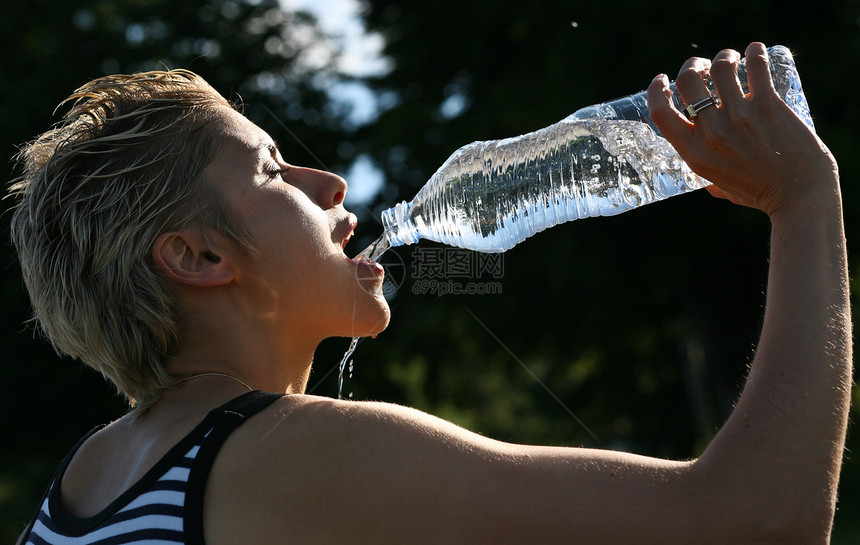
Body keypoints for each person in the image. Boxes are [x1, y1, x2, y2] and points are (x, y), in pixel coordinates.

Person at [11, 42, 850, 545]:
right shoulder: (289, 455)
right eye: (272, 170)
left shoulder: (84, 482)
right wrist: (804, 201)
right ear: (196, 255)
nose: (331, 183)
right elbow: (752, 524)